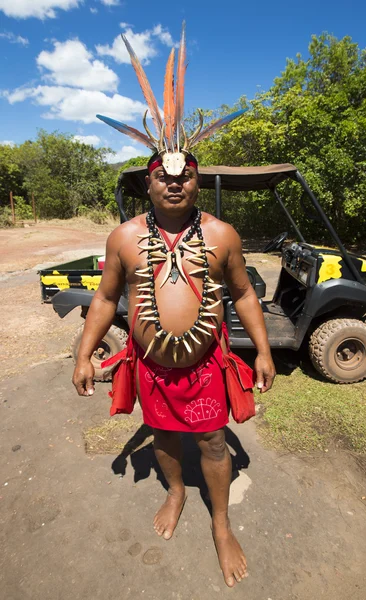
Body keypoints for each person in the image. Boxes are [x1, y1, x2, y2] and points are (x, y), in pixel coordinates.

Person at [73, 23, 276, 587]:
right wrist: (84, 354)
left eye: (185, 177)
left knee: (212, 441)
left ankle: (220, 522)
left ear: (196, 180)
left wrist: (262, 350)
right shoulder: (122, 238)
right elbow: (105, 298)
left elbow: (242, 293)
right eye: (164, 178)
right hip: (152, 368)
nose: (175, 186)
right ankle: (177, 491)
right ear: (148, 181)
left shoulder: (221, 235)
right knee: (163, 438)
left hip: (205, 365)